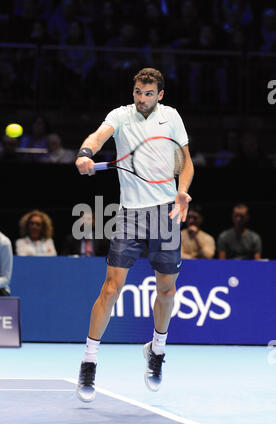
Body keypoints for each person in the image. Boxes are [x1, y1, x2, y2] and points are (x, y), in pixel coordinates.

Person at [75, 67, 194, 402]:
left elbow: (186, 162)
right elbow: (98, 137)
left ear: (160, 95)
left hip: (165, 213)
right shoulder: (121, 116)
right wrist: (86, 154)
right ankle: (89, 360)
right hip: (130, 215)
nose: (142, 99)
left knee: (167, 289)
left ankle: (156, 350)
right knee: (111, 288)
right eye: (138, 92)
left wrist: (182, 191)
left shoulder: (171, 117)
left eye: (148, 93)